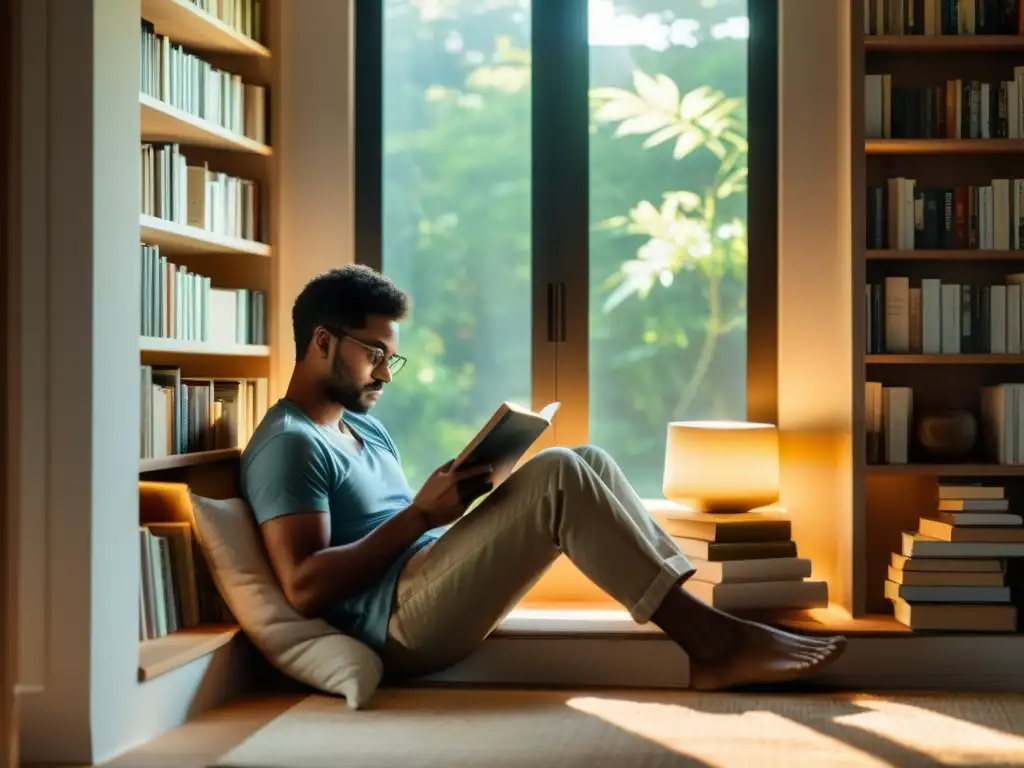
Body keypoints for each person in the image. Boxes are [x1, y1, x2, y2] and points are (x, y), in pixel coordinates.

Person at [240, 265, 847, 690]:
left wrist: (462, 496)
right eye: (374, 353)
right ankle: (715, 646)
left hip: (428, 578)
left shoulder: (363, 428)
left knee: (589, 459)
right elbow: (305, 587)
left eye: (389, 357)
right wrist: (423, 515)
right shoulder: (289, 445)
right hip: (396, 628)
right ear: (322, 341)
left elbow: (404, 533)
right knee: (557, 473)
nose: (386, 374)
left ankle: (703, 622)